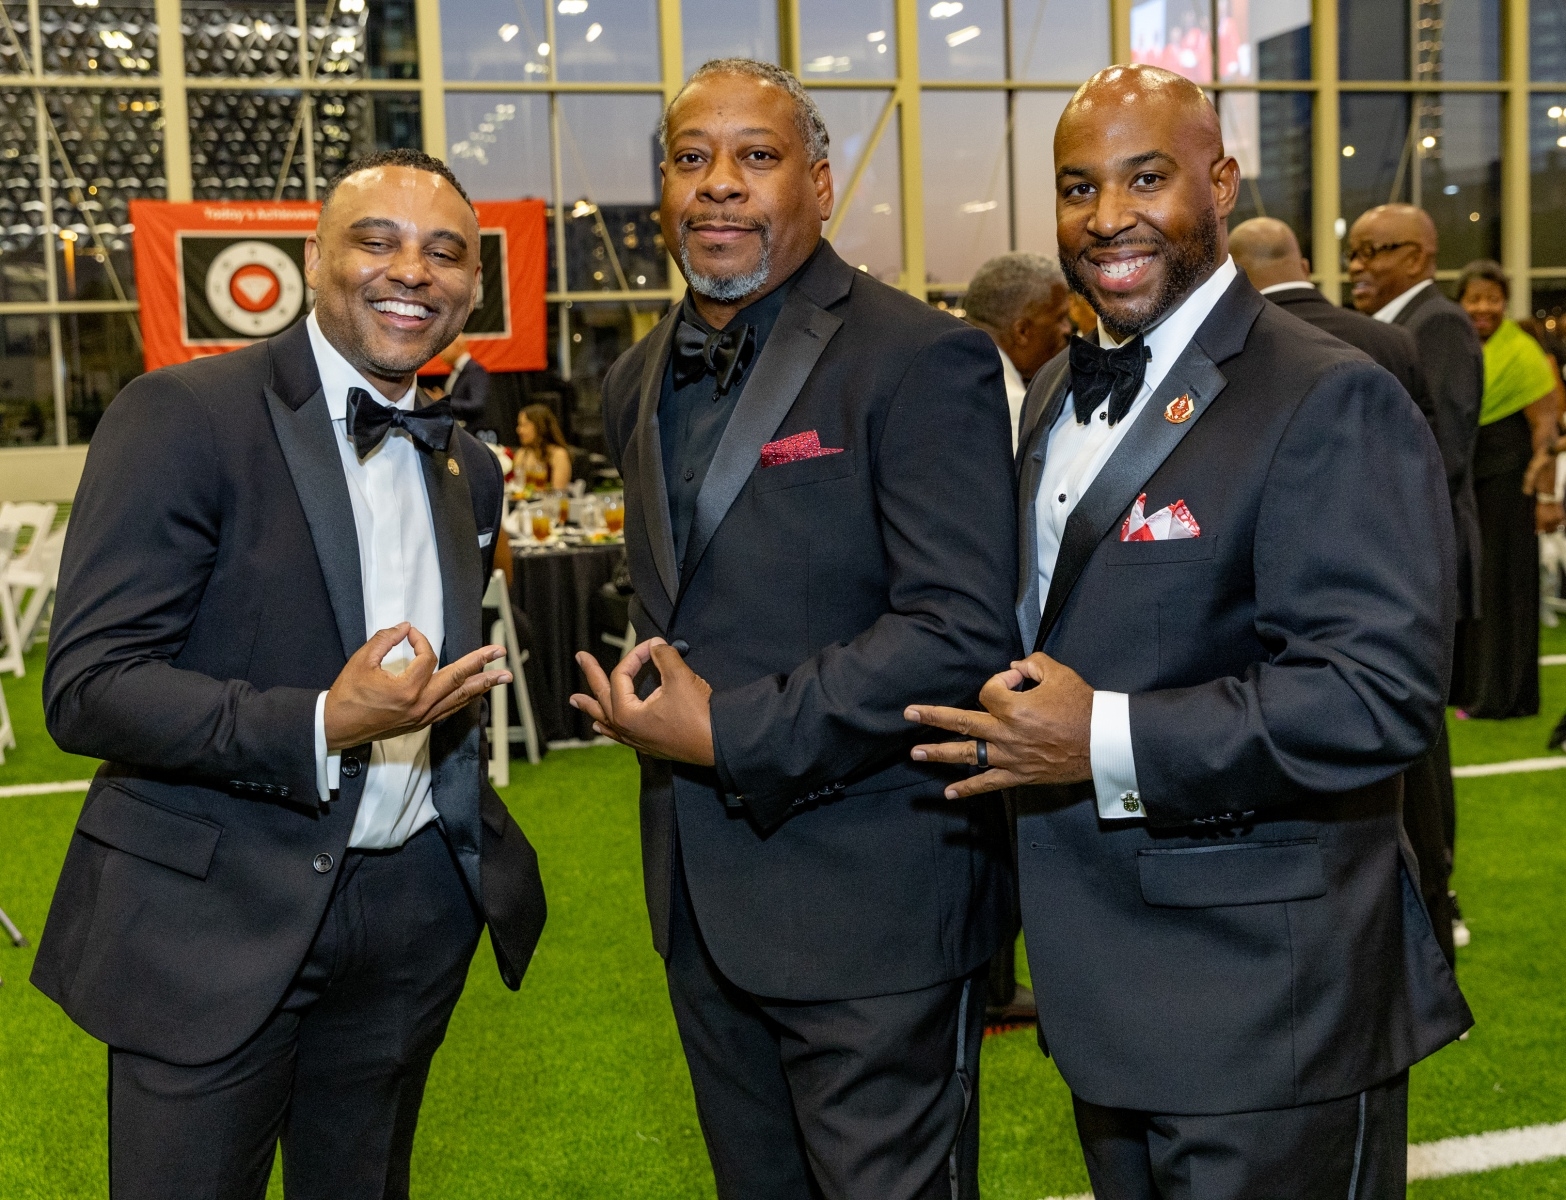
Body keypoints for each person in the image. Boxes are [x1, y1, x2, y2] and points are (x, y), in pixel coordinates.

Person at [905, 65, 1472, 1200]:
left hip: (1274, 1005)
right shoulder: (1054, 389)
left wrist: (1101, 737)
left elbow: (1375, 695)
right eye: (1078, 186)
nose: (1106, 215)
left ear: (1220, 185)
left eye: (1146, 178)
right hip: (1106, 993)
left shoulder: (1330, 393)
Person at [32, 148, 547, 1200]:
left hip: (409, 918)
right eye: (377, 240)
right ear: (313, 259)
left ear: (473, 287)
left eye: (445, 252)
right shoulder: (183, 414)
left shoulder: (471, 465)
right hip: (212, 917)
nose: (413, 271)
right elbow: (89, 685)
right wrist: (320, 720)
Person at [572, 58, 1019, 1198]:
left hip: (876, 899)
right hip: (701, 901)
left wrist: (729, 731)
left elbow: (958, 627)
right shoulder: (634, 379)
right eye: (691, 158)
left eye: (756, 157)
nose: (719, 183)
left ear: (819, 186)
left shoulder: (922, 356)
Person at [1230, 214, 1458, 961]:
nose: (1359, 265)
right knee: (1415, 782)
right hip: (1397, 603)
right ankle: (1430, 927)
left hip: (1268, 622)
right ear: (1302, 260)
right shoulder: (1386, 342)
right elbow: (1439, 469)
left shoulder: (1232, 348)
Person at [1347, 202, 1485, 950]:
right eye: (1355, 250)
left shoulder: (1440, 325)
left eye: (1378, 250)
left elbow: (1444, 453)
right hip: (1404, 562)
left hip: (1423, 564)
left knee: (1425, 747)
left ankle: (1441, 893)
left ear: (1422, 256)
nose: (1360, 265)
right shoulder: (1394, 327)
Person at [1454, 261, 1566, 718]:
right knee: (1470, 586)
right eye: (1474, 299)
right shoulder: (1455, 346)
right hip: (1466, 483)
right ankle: (1471, 688)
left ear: (1505, 303)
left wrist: (1547, 498)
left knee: (1505, 589)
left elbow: (1546, 430)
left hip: (1510, 487)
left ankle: (1505, 696)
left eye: (1493, 299)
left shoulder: (1523, 352)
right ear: (1460, 302)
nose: (1483, 308)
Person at [1230, 216, 1431, 420]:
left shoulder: (1235, 345)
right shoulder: (1396, 341)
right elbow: (1427, 434)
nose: (1354, 267)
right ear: (1305, 268)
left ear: (1236, 278)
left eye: (1369, 252)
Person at [963, 252, 1075, 450]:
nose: (1068, 329)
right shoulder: (1010, 408)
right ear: (1022, 331)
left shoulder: (944, 370)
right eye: (1060, 318)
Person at [433, 331, 491, 427]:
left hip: (470, 430)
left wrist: (445, 402)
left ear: (457, 346)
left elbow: (477, 404)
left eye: (444, 348)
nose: (440, 353)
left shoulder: (475, 371)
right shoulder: (457, 371)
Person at [515, 401, 573, 490]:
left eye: (524, 425)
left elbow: (558, 492)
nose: (519, 430)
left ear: (540, 426)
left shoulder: (558, 454)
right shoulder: (521, 454)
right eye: (519, 425)